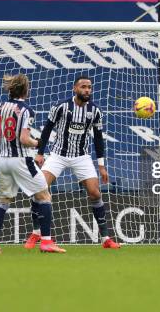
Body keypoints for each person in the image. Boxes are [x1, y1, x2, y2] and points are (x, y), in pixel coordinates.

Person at [28, 75, 120, 249]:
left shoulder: (95, 111)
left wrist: (101, 165)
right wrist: (40, 153)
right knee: (38, 187)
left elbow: (99, 138)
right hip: (58, 155)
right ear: (75, 89)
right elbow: (47, 129)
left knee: (95, 193)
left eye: (89, 87)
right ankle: (36, 232)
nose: (87, 90)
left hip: (81, 157)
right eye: (83, 86)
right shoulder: (61, 106)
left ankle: (105, 239)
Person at [0, 73, 65, 254]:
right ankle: (46, 242)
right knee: (44, 196)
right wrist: (38, 142)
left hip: (3, 161)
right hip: (21, 160)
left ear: (11, 89)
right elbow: (24, 139)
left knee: (3, 201)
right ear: (26, 90)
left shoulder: (0, 107)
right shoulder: (26, 110)